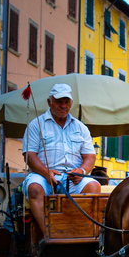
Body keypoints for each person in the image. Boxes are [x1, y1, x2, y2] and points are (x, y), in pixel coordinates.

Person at [22, 83, 101, 237]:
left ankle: (82, 233)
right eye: (58, 101)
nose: (63, 105)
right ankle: (49, 235)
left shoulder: (81, 127)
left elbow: (90, 156)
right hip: (43, 174)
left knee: (93, 187)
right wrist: (46, 172)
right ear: (49, 102)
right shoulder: (36, 125)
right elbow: (29, 155)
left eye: (66, 102)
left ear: (71, 103)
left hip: (72, 177)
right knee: (34, 189)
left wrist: (82, 171)